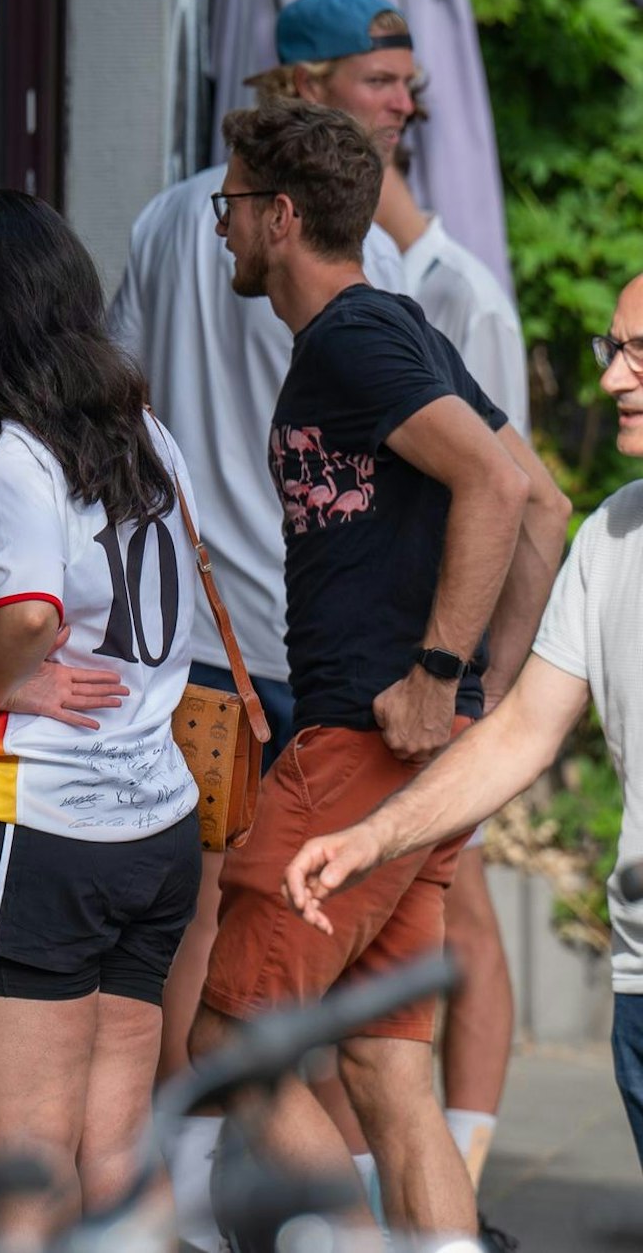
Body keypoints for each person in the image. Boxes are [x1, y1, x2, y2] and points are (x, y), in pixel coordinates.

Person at [189, 98, 567, 1242]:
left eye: (232, 206)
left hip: (361, 744)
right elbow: (542, 501)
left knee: (230, 1046)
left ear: (280, 215)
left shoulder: (356, 338)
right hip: (415, 754)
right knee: (385, 1072)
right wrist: (480, 704)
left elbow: (502, 492)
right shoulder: (396, 326)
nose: (220, 229)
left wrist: (439, 672)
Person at [106, 0, 412, 1244]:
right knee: (306, 979)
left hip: (197, 653)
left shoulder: (163, 220)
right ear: (304, 89)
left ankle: (194, 1202)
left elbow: (116, 406)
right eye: (378, 83)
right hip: (319, 655)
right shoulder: (367, 257)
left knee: (202, 958)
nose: (399, 110)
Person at [281, 272, 643, 1172]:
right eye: (613, 348)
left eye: (639, 353)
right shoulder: (611, 537)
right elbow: (519, 734)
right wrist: (373, 836)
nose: (611, 380)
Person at [0, 189, 205, 1243]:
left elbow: (25, 610)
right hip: (152, 825)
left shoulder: (5, 451)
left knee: (22, 1152)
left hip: (25, 824)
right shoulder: (145, 434)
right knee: (114, 1150)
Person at [378, 137, 529, 1198]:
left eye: (399, 90)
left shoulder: (455, 289)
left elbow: (524, 493)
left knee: (448, 920)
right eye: (375, 79)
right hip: (375, 661)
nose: (392, 105)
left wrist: (474, 680)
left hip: (426, 665)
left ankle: (458, 1173)